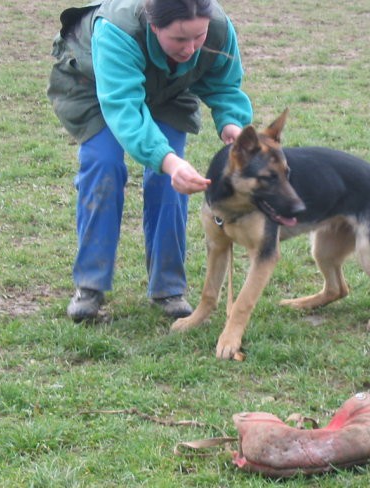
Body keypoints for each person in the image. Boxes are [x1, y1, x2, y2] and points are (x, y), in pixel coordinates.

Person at [47, 0, 253, 322]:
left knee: (170, 183)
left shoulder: (217, 26)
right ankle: (90, 286)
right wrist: (167, 160)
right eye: (179, 39)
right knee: (104, 166)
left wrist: (232, 124)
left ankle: (168, 287)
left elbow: (224, 84)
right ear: (155, 26)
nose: (190, 48)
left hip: (167, 90)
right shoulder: (116, 30)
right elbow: (125, 110)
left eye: (198, 37)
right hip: (96, 85)